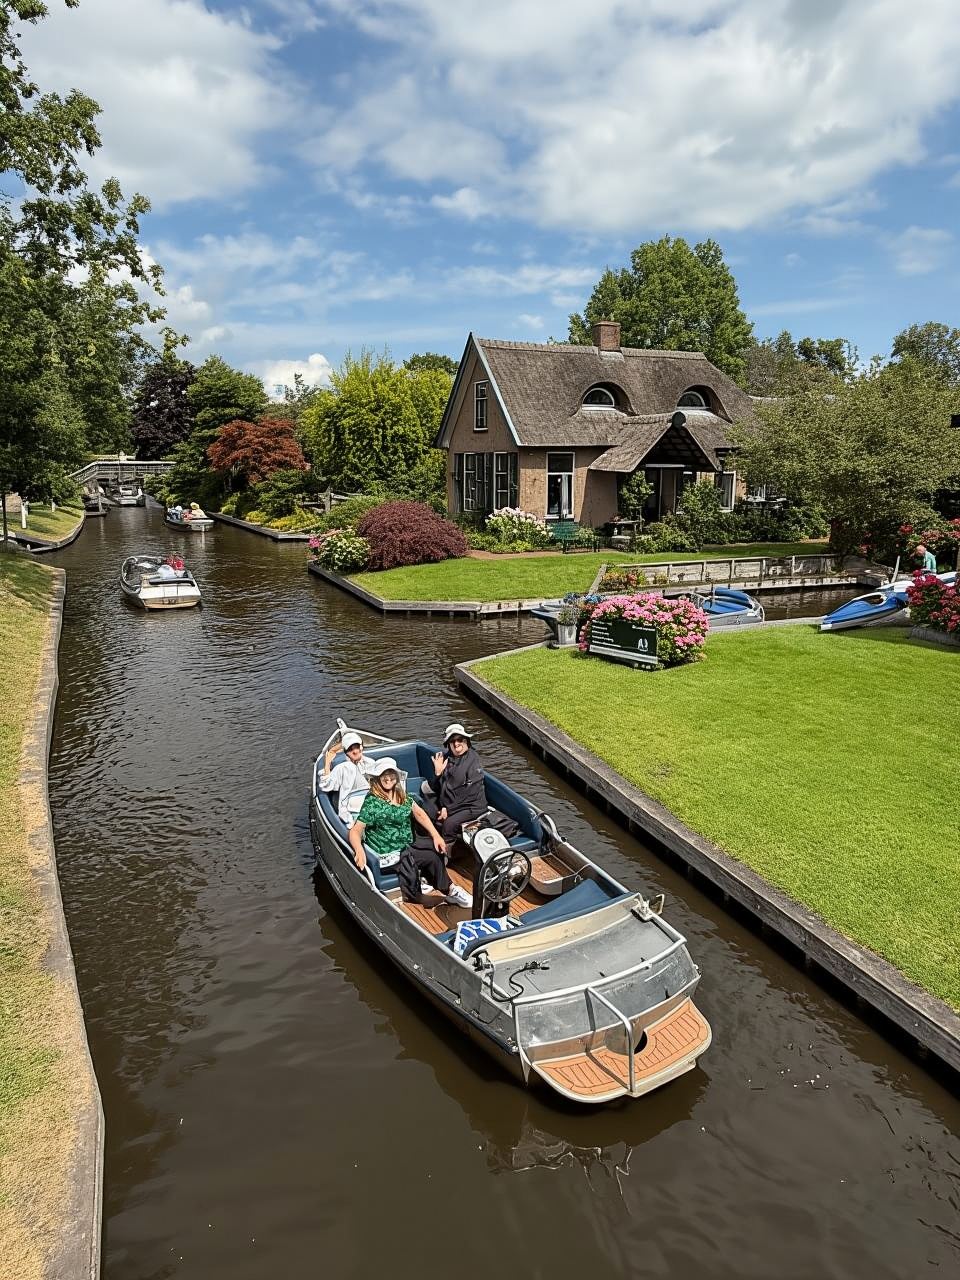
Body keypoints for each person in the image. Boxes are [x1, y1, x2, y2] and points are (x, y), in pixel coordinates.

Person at [348, 758, 471, 908]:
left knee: (435, 849)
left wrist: (436, 835)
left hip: (405, 845)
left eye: (391, 774)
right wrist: (359, 850)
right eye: (383, 775)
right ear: (377, 778)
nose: (388, 778)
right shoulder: (372, 802)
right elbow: (355, 830)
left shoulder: (401, 795)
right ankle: (444, 890)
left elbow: (419, 814)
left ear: (396, 776)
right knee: (430, 857)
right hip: (388, 853)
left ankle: (445, 888)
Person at [422, 723, 489, 841]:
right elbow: (437, 788)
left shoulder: (473, 761)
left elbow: (469, 793)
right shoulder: (446, 758)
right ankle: (432, 844)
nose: (456, 744)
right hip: (449, 804)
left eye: (460, 739)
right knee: (427, 811)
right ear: (448, 744)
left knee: (449, 825)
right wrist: (438, 774)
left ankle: (450, 853)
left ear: (466, 741)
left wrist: (448, 809)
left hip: (471, 806)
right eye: (452, 741)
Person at [318, 731, 375, 826]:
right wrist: (327, 762)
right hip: (355, 810)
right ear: (345, 752)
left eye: (357, 747)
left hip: (373, 806)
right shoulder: (344, 768)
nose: (355, 751)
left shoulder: (370, 763)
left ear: (361, 747)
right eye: (350, 749)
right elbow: (325, 785)